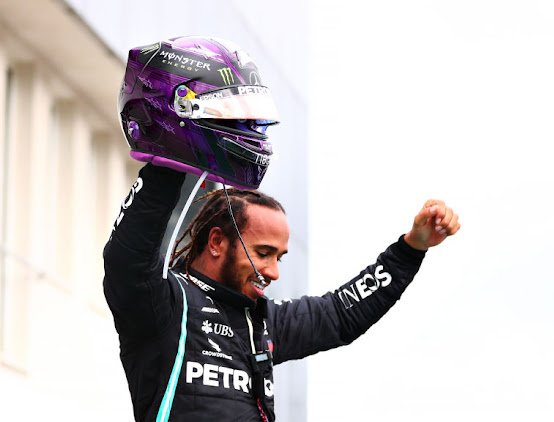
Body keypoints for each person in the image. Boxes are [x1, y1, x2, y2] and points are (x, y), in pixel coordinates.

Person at [103, 36, 460, 422]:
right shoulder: (162, 305)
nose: (273, 272)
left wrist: (411, 248)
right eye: (263, 253)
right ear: (218, 241)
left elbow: (341, 315)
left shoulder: (263, 322)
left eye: (279, 257)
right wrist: (171, 157)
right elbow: (127, 259)